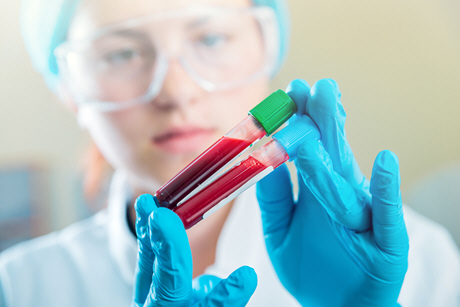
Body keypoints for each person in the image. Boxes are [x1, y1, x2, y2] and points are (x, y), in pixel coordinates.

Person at [0, 0, 459, 306]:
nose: (177, 93)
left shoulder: (415, 260)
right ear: (70, 89)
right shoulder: (20, 287)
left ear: (268, 46)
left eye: (212, 38)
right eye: (122, 53)